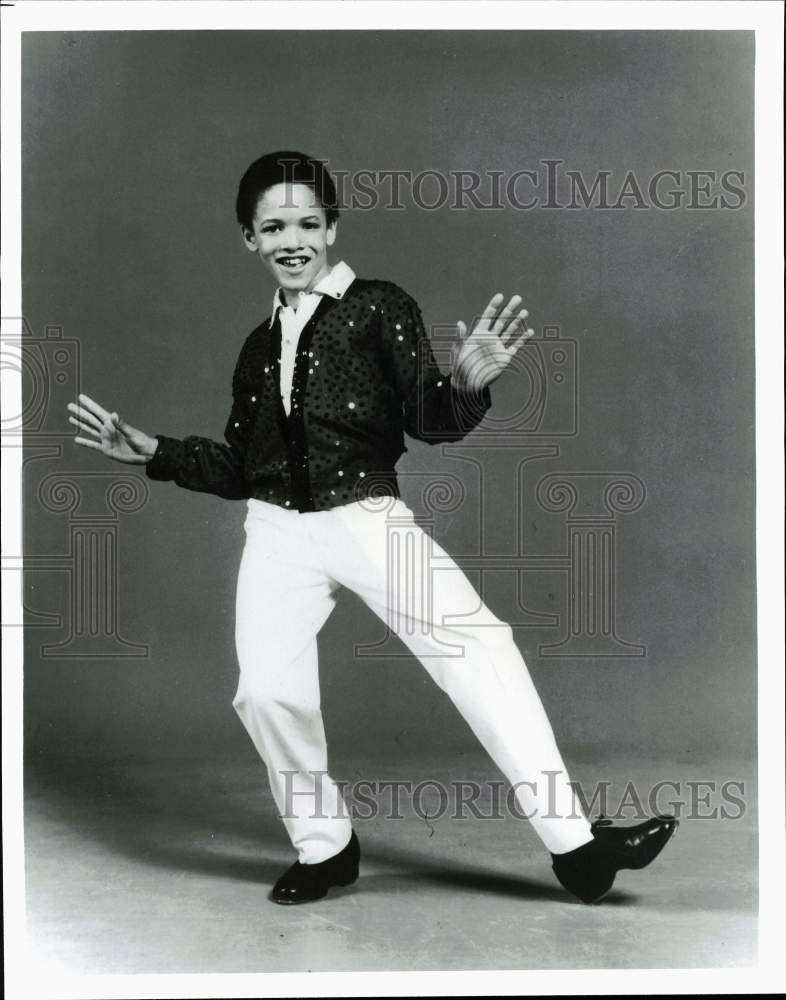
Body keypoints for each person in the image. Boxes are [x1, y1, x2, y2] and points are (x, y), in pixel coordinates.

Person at [67, 151, 676, 906]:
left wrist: (465, 384)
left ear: (331, 228)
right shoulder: (256, 350)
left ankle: (578, 849)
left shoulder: (379, 306)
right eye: (272, 226)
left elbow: (428, 420)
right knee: (264, 693)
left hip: (366, 518)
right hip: (278, 534)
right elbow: (242, 466)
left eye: (307, 223)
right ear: (248, 240)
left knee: (476, 647)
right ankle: (325, 848)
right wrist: (154, 452)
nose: (292, 239)